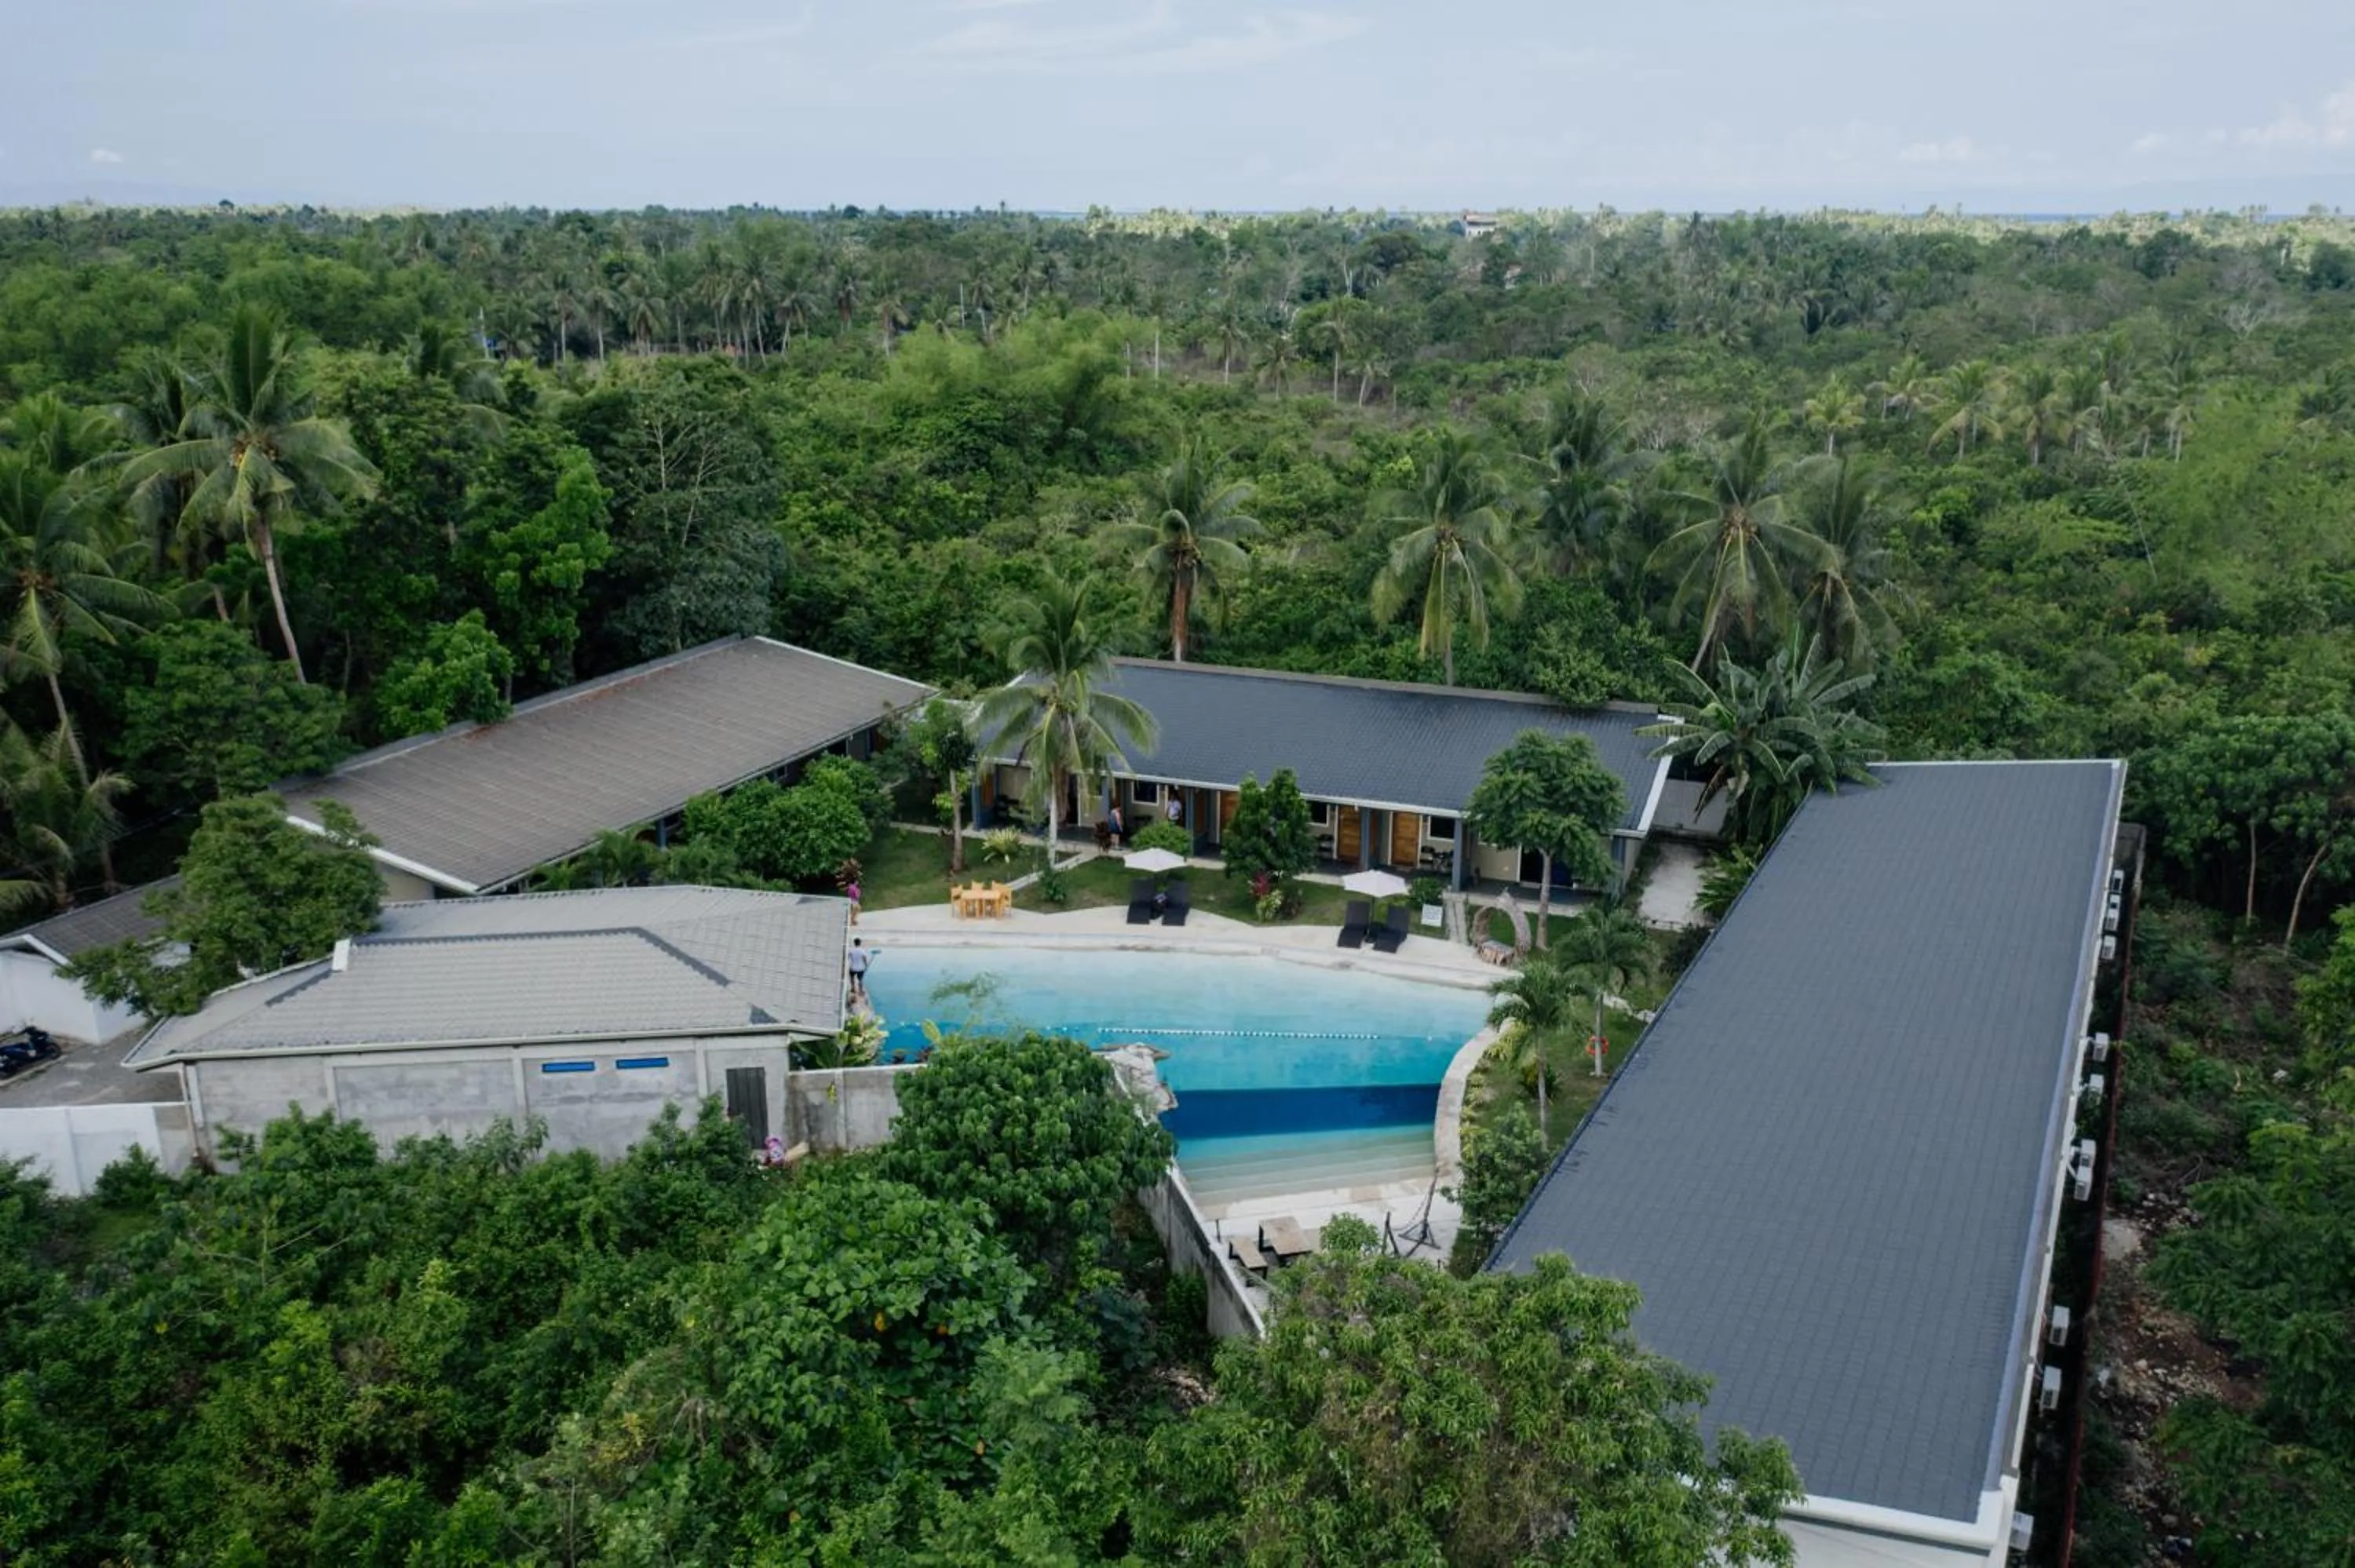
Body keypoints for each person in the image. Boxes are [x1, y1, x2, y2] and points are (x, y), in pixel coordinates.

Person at [847, 938, 872, 1005]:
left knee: (852, 978)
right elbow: (864, 959)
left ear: (854, 943)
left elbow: (848, 957)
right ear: (860, 943)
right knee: (860, 980)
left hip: (853, 967)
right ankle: (860, 991)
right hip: (860, 968)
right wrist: (866, 965)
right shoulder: (862, 951)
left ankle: (853, 988)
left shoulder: (851, 950)